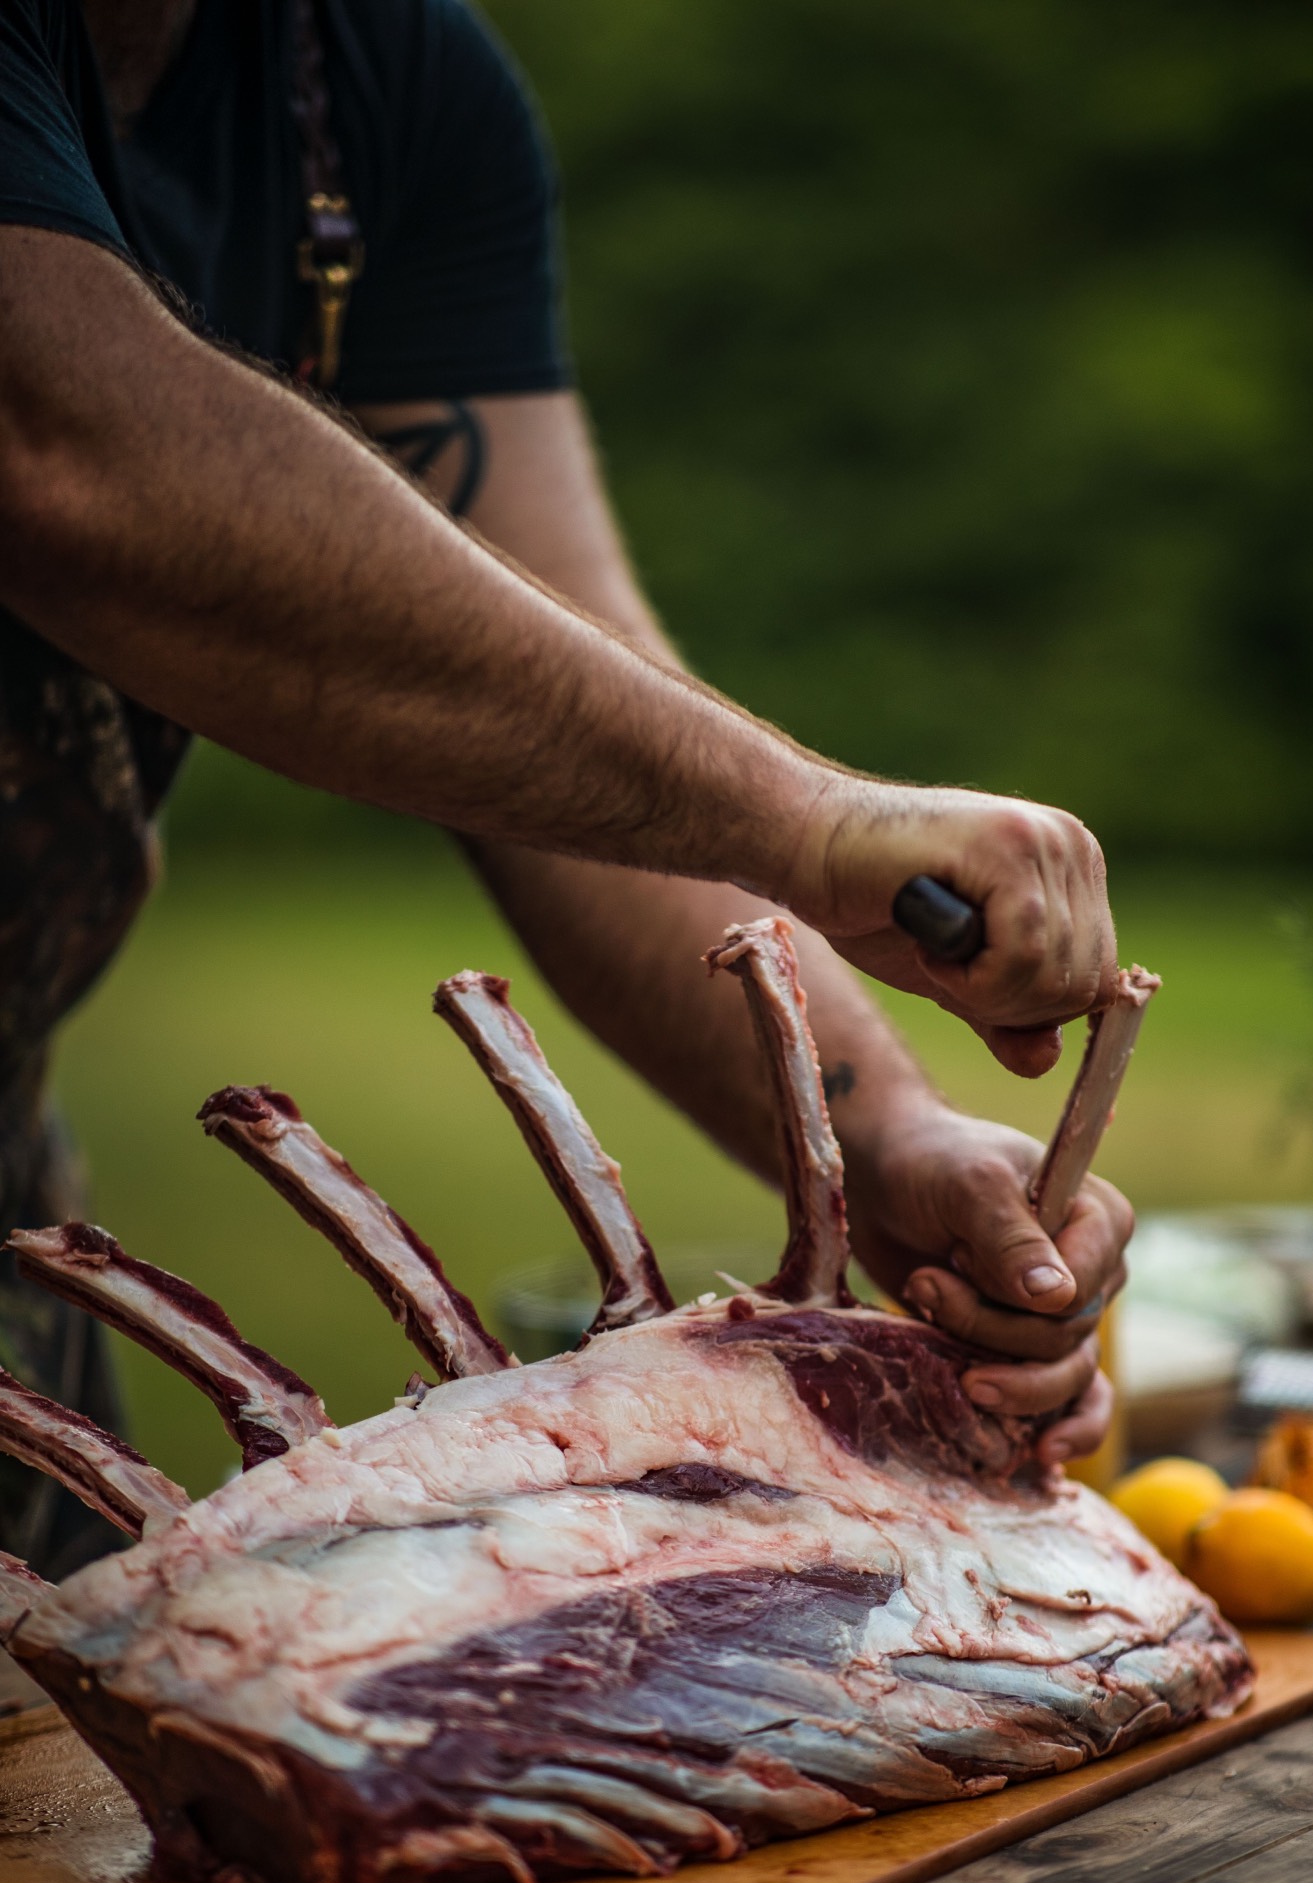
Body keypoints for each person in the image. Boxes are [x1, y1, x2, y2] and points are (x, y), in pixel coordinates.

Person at [0, 0, 1132, 1577]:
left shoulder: (382, 85)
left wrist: (892, 1146)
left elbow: (569, 711)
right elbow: (64, 444)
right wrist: (810, 823)